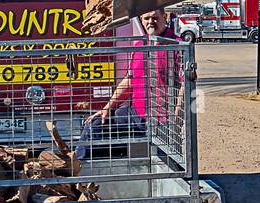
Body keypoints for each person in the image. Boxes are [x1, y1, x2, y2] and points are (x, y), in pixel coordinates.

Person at [76, 8, 184, 159]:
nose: (150, 22)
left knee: (169, 161)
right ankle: (78, 166)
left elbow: (185, 86)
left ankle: (177, 172)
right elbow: (129, 81)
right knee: (95, 125)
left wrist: (176, 119)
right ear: (141, 19)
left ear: (164, 17)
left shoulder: (178, 46)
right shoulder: (139, 45)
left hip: (163, 119)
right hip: (136, 114)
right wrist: (107, 108)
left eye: (155, 18)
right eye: (146, 18)